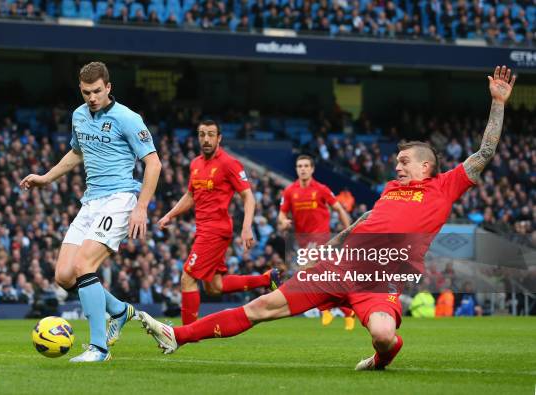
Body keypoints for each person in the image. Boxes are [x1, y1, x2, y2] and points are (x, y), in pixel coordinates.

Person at [139, 66, 515, 370]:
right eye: (396, 161)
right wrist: (334, 244)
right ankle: (177, 336)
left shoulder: (445, 186)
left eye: (404, 161)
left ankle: (381, 358)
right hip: (341, 264)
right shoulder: (389, 189)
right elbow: (369, 216)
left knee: (384, 336)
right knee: (261, 307)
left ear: (426, 165)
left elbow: (485, 151)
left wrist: (497, 103)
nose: (396, 165)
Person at [20, 61, 161, 362]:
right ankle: (120, 311)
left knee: (85, 263)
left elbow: (154, 163)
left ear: (108, 87)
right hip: (91, 201)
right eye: (86, 92)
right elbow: (76, 152)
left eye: (97, 91)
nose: (92, 97)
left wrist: (141, 207)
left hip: (120, 199)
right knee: (64, 276)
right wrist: (46, 177)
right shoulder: (79, 116)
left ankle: (99, 348)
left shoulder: (127, 117)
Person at [157, 120, 280, 325]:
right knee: (214, 286)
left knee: (187, 278)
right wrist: (170, 215)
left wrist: (247, 227)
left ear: (219, 138)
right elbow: (190, 195)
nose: (206, 139)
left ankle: (185, 333)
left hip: (215, 230)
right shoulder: (195, 164)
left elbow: (248, 197)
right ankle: (267, 279)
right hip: (203, 229)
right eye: (202, 134)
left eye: (211, 134)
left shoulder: (229, 163)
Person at [278, 154, 354, 328]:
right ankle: (345, 311)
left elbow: (339, 209)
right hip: (302, 242)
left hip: (320, 239)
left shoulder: (321, 189)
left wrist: (348, 231)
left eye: (306, 166)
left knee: (307, 274)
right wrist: (283, 222)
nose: (303, 169)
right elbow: (281, 214)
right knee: (322, 279)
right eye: (299, 166)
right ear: (296, 169)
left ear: (312, 169)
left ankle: (328, 311)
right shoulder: (290, 191)